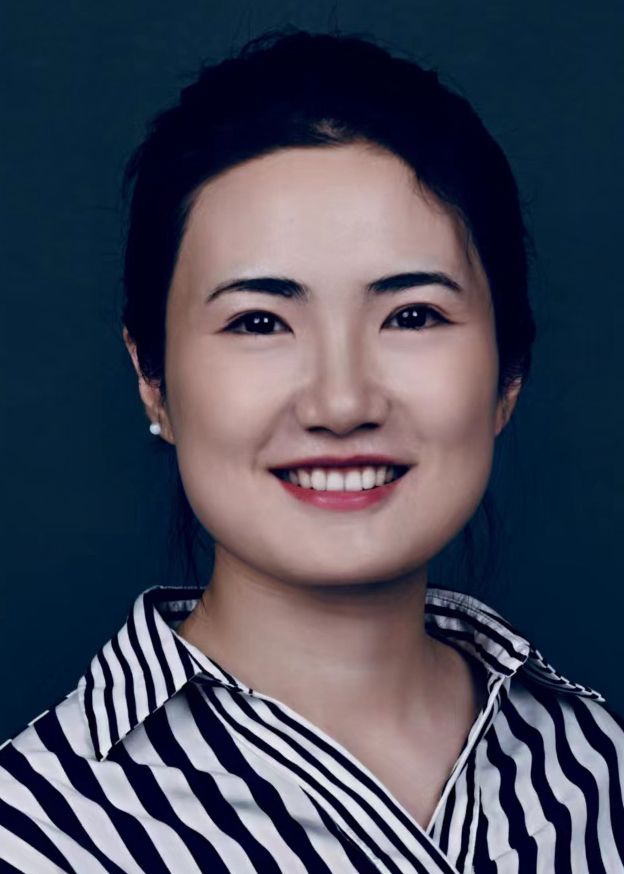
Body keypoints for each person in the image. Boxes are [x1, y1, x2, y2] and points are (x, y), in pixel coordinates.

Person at [1, 26, 623, 874]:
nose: (341, 403)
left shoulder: (598, 769)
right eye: (259, 322)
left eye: (412, 316)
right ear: (153, 379)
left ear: (508, 374)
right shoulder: (34, 831)